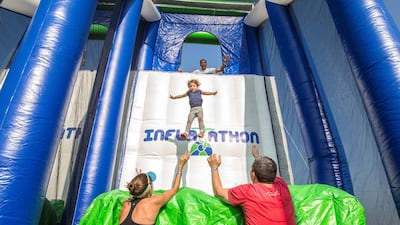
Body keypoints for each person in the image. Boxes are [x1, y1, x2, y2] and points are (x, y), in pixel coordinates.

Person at [207, 145, 296, 225]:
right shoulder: (282, 184)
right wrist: (257, 157)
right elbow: (269, 172)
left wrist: (214, 167)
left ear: (253, 175)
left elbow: (219, 192)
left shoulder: (248, 192)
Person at [119, 151, 190, 225]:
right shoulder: (153, 201)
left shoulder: (126, 203)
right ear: (150, 188)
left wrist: (139, 183)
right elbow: (174, 190)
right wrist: (180, 166)